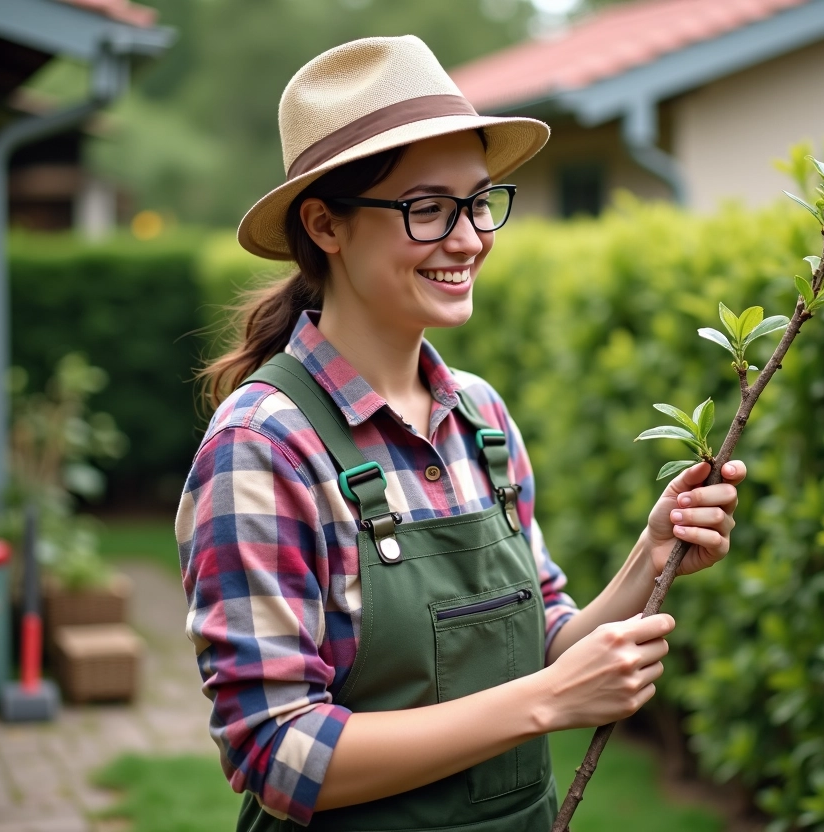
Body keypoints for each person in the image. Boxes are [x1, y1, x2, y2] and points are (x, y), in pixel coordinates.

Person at [176, 35, 746, 832]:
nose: (470, 238)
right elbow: (279, 753)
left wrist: (649, 558)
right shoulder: (265, 446)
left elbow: (542, 640)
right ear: (325, 225)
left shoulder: (479, 415)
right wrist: (545, 704)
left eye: (478, 202)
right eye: (428, 208)